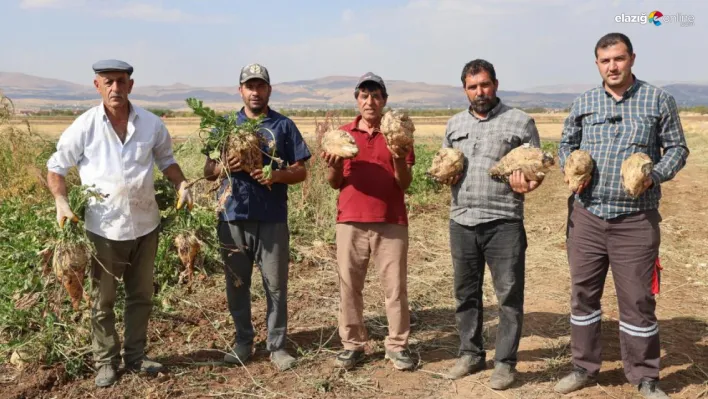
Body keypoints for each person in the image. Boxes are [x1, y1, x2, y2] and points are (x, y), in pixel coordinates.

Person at [555, 33, 689, 399]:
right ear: (597, 64)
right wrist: (569, 166)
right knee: (583, 294)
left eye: (618, 58)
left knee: (637, 299)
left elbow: (677, 148)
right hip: (587, 217)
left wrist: (655, 176)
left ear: (631, 58)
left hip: (635, 219)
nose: (612, 66)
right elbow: (566, 143)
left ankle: (645, 375)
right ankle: (583, 365)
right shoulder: (584, 102)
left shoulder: (657, 99)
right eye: (604, 60)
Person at [46, 59, 193, 387]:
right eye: (108, 81)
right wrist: (61, 201)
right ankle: (106, 361)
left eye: (121, 81)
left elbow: (167, 160)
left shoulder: (151, 124)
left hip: (145, 225)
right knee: (103, 300)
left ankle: (137, 356)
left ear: (131, 85)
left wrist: (180, 184)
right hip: (104, 230)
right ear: (97, 86)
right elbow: (56, 167)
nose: (115, 88)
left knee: (141, 295)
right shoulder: (85, 126)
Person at [441, 59, 542, 390]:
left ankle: (505, 362)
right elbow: (445, 165)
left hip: (503, 222)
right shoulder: (454, 124)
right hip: (462, 220)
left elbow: (536, 168)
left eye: (484, 84)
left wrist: (530, 184)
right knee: (465, 294)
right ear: (465, 90)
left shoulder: (520, 122)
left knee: (508, 294)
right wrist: (444, 174)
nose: (479, 92)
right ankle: (470, 354)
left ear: (495, 84)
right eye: (473, 87)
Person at [203, 63, 311, 371]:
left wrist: (275, 176)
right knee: (237, 284)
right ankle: (243, 342)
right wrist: (224, 164)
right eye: (249, 86)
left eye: (260, 86)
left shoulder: (283, 126)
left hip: (272, 217)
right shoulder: (224, 126)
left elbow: (301, 170)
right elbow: (208, 173)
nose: (255, 91)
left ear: (269, 90)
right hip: (232, 217)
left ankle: (276, 346)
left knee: (275, 285)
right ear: (240, 91)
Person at [321, 73, 416, 371]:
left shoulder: (398, 132)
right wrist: (333, 167)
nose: (370, 101)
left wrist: (398, 156)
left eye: (375, 95)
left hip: (391, 220)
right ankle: (353, 344)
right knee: (349, 285)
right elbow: (334, 183)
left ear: (384, 100)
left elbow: (405, 183)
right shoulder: (343, 135)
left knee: (395, 287)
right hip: (350, 221)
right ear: (357, 100)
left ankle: (397, 345)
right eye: (364, 95)